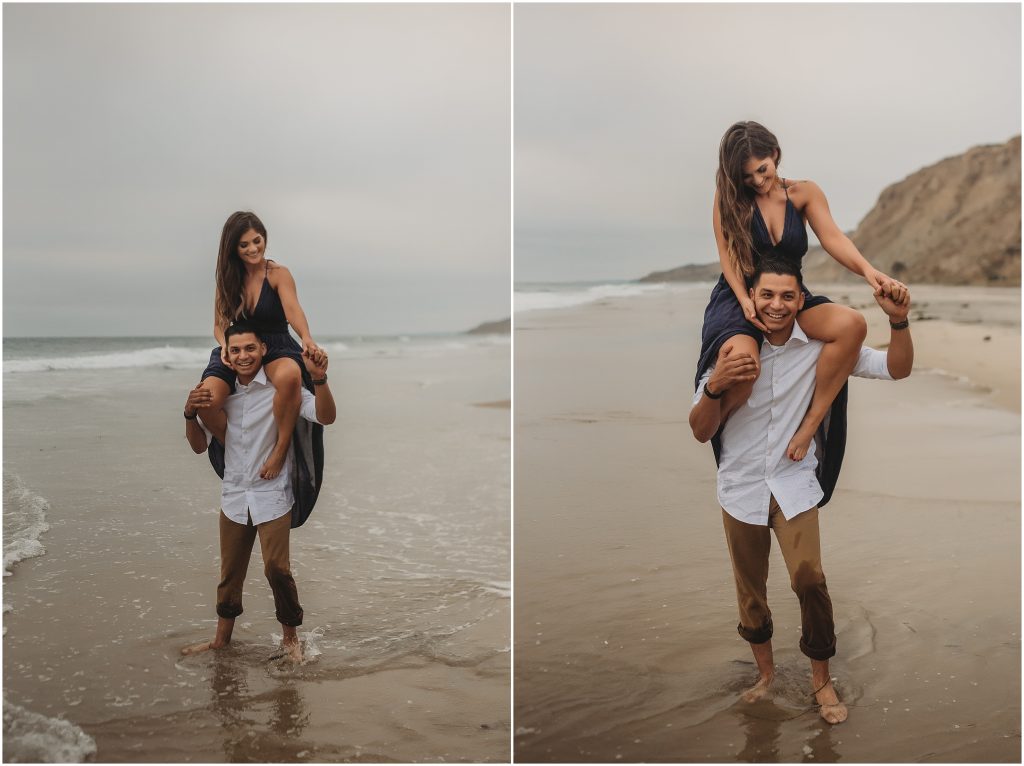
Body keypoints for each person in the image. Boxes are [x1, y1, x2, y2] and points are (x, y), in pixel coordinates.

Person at [689, 258, 914, 724]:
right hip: (740, 487)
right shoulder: (728, 352)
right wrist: (715, 387)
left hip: (793, 485)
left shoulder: (820, 348)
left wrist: (898, 320)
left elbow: (895, 368)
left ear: (801, 300)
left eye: (787, 296)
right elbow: (699, 430)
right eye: (767, 295)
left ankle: (821, 681)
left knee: (809, 578)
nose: (776, 305)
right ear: (751, 298)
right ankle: (766, 675)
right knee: (751, 596)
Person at [698, 121, 909, 463]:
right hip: (739, 294)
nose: (756, 180)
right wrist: (743, 300)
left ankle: (810, 423)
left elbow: (834, 238)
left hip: (789, 294)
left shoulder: (805, 193)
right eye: (746, 175)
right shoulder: (729, 197)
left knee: (851, 324)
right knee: (743, 367)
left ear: (775, 155)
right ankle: (717, 429)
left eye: (761, 169)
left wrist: (869, 272)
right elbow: (727, 257)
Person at [182, 322, 337, 662]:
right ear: (226, 354)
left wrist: (320, 379)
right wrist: (189, 413)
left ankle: (290, 639)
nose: (243, 356)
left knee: (277, 570)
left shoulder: (283, 391)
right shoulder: (222, 398)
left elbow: (325, 417)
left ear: (264, 349)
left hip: (273, 495)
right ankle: (221, 640)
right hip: (235, 496)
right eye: (235, 350)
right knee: (230, 574)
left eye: (250, 348)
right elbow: (197, 446)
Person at [198, 211, 324, 481]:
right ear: (233, 247)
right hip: (239, 348)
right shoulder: (227, 277)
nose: (253, 248)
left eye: (257, 240)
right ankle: (231, 448)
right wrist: (223, 346)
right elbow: (219, 324)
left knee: (290, 375)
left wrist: (307, 337)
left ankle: (280, 449)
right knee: (206, 399)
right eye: (244, 245)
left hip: (276, 345)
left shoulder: (278, 273)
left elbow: (293, 311)